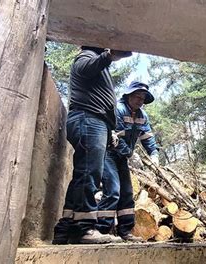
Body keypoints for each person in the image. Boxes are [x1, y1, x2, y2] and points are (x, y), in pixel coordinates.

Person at [52, 46, 132, 244]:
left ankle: (65, 229)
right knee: (89, 173)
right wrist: (110, 55)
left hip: (94, 121)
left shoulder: (96, 60)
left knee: (83, 173)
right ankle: (83, 229)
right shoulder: (86, 55)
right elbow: (85, 67)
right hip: (88, 119)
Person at [96, 81, 159, 242]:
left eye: (142, 98)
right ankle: (102, 231)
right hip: (108, 154)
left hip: (122, 157)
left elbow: (147, 138)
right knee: (113, 190)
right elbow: (115, 136)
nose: (139, 100)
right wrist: (130, 154)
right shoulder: (118, 109)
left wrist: (154, 155)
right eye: (137, 96)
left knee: (127, 193)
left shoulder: (142, 116)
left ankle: (126, 230)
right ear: (128, 95)